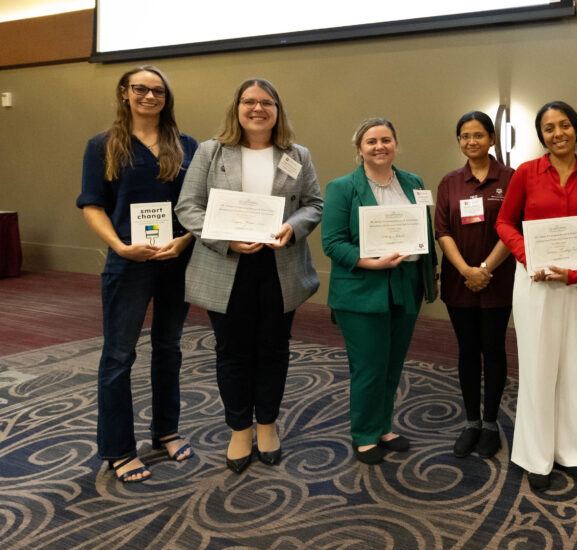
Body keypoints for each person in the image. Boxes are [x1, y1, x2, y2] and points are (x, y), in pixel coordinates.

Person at [176, 78, 322, 474]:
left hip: (280, 264)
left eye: (266, 103)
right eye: (249, 102)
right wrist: (225, 239)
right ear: (237, 108)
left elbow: (313, 204)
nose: (258, 109)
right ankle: (240, 427)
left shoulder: (297, 154)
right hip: (227, 264)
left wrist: (293, 227)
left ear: (278, 109)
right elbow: (188, 207)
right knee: (233, 351)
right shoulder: (211, 151)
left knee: (274, 349)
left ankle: (268, 424)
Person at [77, 65, 198, 483]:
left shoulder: (186, 145)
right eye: (141, 89)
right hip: (127, 262)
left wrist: (183, 241)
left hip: (175, 261)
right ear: (124, 93)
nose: (150, 97)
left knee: (169, 348)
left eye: (158, 91)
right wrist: (120, 245)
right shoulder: (102, 146)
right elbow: (92, 204)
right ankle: (118, 449)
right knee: (118, 355)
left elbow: (195, 204)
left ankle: (166, 429)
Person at [495, 101, 577, 491]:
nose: (557, 133)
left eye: (564, 125)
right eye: (549, 128)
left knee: (575, 367)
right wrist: (531, 258)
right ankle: (536, 456)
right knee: (538, 369)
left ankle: (572, 451)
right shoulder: (526, 174)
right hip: (536, 283)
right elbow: (505, 222)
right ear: (541, 136)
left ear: (576, 129)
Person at [322, 118, 438, 466]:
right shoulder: (342, 187)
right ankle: (364, 434)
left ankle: (383, 427)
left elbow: (423, 229)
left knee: (391, 363)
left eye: (386, 139)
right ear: (359, 149)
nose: (379, 146)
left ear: (396, 144)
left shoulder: (413, 182)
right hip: (362, 290)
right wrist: (370, 262)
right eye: (371, 141)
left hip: (405, 286)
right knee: (369, 366)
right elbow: (332, 243)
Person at [435, 112, 515, 458]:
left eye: (478, 135)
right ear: (459, 142)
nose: (471, 142)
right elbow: (442, 230)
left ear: (492, 139)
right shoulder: (450, 182)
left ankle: (491, 423)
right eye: (465, 136)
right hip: (459, 281)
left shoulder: (511, 179)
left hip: (497, 279)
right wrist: (466, 270)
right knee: (467, 351)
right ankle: (471, 422)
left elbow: (515, 227)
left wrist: (484, 269)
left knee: (494, 349)